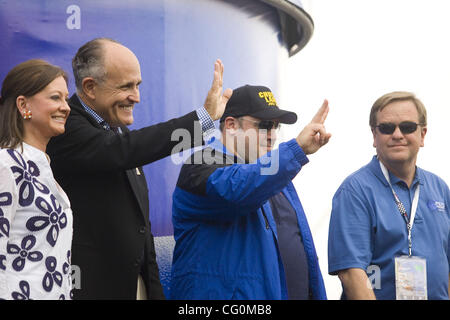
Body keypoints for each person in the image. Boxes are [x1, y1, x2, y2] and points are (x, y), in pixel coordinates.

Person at [46, 38, 232, 300]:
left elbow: (142, 232)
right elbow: (121, 150)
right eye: (126, 87)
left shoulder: (117, 132)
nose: (136, 96)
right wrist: (201, 120)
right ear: (90, 87)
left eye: (137, 85)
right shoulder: (67, 129)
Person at [170, 84, 330, 299]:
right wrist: (297, 149)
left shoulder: (275, 175)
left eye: (276, 127)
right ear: (231, 125)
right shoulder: (199, 166)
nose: (272, 135)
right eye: (264, 125)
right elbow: (236, 191)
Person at [328, 91, 450, 300]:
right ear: (374, 136)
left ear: (423, 135)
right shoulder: (355, 190)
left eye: (408, 127)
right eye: (386, 128)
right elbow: (351, 274)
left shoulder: (439, 188)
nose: (397, 134)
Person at [0, 59, 72, 300]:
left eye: (66, 98)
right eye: (55, 98)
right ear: (23, 104)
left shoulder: (43, 166)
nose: (66, 107)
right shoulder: (6, 164)